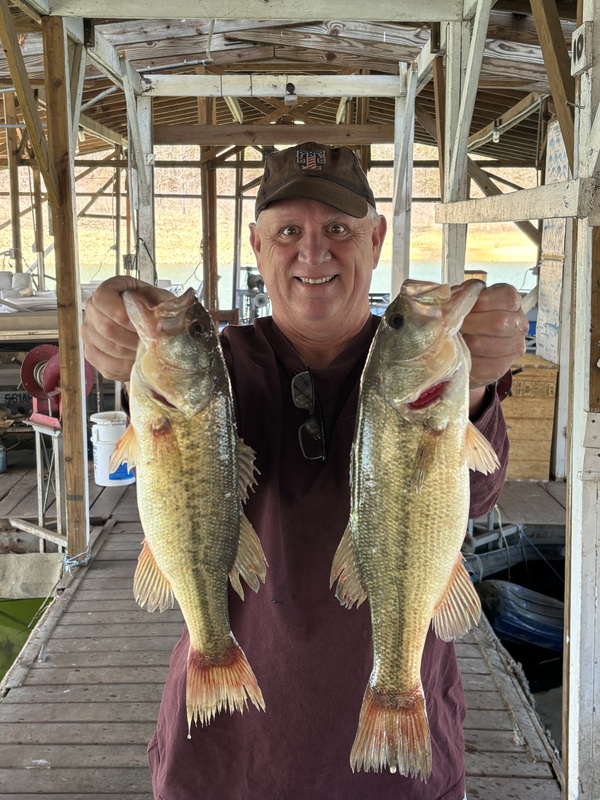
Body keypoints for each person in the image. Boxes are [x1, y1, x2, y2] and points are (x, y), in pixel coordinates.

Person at [81, 142, 527, 800]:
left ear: (376, 239)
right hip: (226, 759)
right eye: (288, 231)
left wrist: (480, 384)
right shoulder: (217, 371)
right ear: (257, 247)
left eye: (339, 228)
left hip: (399, 756)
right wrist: (113, 323)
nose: (313, 253)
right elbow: (161, 432)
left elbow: (479, 492)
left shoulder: (419, 364)